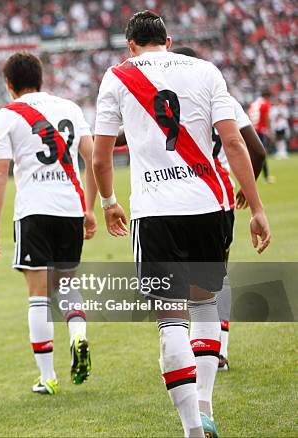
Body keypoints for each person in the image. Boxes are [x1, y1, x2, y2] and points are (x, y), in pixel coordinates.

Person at [92, 11, 270, 438]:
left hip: (156, 213)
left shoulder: (117, 77)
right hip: (210, 206)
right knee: (206, 305)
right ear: (168, 41)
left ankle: (192, 427)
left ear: (130, 44)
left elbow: (100, 156)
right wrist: (258, 208)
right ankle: (205, 403)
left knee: (171, 320)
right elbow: (234, 142)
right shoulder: (206, 70)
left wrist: (109, 202)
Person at [0, 52, 98, 395]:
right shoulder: (70, 108)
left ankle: (47, 376)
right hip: (69, 208)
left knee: (38, 296)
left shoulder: (7, 115)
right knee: (64, 284)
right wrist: (91, 208)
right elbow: (92, 158)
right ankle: (78, 335)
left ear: (9, 84)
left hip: (34, 210)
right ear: (42, 78)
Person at [171, 47, 267, 370]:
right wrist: (246, 189)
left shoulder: (167, 103)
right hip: (216, 195)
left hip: (173, 193)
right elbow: (258, 151)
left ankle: (186, 349)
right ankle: (218, 350)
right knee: (215, 277)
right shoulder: (221, 96)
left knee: (179, 281)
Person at [248, 89, 274, 182]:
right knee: (261, 154)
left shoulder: (254, 104)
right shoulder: (265, 104)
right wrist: (270, 131)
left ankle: (250, 176)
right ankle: (266, 177)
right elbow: (267, 118)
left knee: (253, 154)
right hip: (260, 131)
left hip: (251, 131)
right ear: (267, 96)